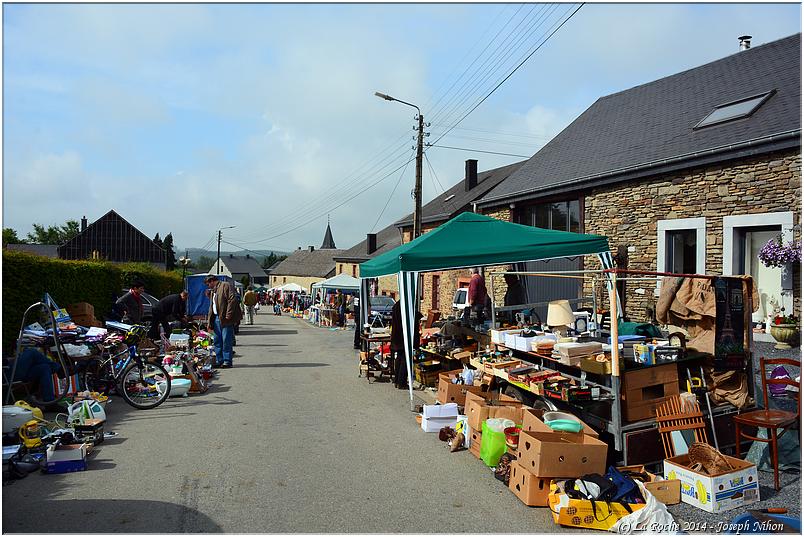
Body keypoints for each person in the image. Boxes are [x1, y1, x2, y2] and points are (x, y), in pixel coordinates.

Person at [205, 276, 242, 368]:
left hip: (225, 318)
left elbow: (232, 299)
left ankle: (227, 361)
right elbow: (212, 306)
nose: (208, 286)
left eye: (208, 284)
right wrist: (209, 322)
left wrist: (228, 315)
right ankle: (219, 360)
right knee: (217, 341)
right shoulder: (214, 291)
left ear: (212, 281)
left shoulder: (225, 285)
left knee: (226, 340)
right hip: (216, 318)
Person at [390, 300, 422, 389]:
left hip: (398, 337)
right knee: (404, 359)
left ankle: (397, 381)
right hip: (403, 337)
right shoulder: (405, 305)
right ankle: (401, 382)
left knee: (399, 358)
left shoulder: (397, 305)